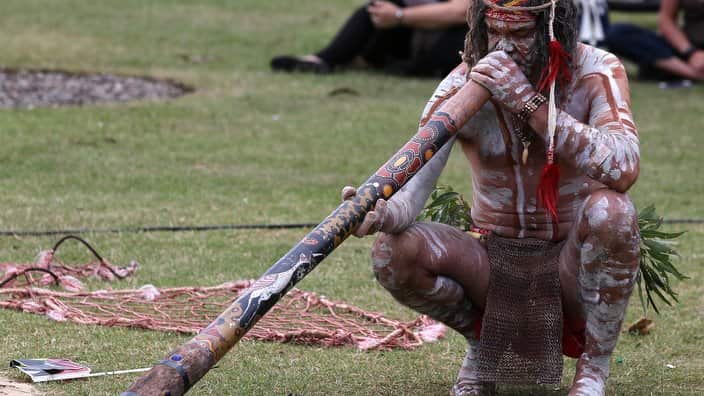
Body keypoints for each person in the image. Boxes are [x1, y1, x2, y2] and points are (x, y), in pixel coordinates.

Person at [342, 0, 640, 394]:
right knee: (392, 252)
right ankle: (482, 344)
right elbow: (411, 189)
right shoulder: (460, 84)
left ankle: (593, 369)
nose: (504, 47)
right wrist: (379, 213)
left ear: (555, 31)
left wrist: (528, 103)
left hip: (573, 264)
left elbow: (624, 167)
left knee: (614, 213)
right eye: (494, 32)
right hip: (491, 261)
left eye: (519, 34)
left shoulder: (595, 71)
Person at [270, 0, 469, 77]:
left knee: (464, 34)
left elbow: (462, 11)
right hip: (412, 28)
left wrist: (400, 16)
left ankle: (408, 67)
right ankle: (322, 60)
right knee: (373, 9)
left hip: (455, 36)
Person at [605, 0, 704, 81]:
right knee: (619, 32)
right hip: (688, 47)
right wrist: (691, 52)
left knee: (652, 69)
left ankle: (666, 70)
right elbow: (666, 19)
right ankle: (693, 73)